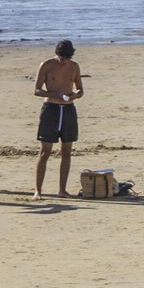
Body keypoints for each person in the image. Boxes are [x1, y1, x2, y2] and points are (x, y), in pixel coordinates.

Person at [33, 39, 84, 199]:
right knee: (45, 152)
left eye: (67, 59)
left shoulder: (74, 66)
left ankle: (62, 189)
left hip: (68, 110)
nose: (64, 62)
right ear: (57, 55)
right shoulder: (47, 65)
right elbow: (37, 90)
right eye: (62, 59)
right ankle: (38, 191)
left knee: (67, 151)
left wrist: (75, 95)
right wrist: (54, 94)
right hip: (51, 109)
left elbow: (81, 89)